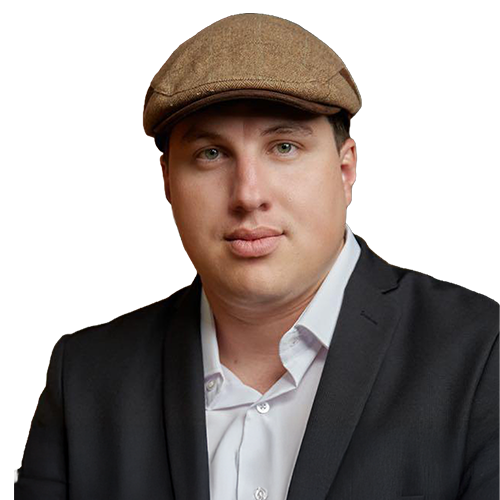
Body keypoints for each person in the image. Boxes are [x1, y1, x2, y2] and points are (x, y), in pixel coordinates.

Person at [15, 14, 499, 500]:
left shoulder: (481, 355)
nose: (248, 195)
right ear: (167, 183)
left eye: (284, 147)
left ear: (346, 169)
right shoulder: (86, 378)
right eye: (210, 154)